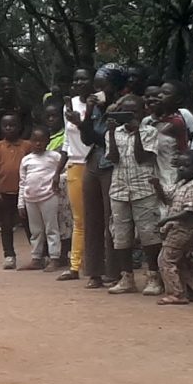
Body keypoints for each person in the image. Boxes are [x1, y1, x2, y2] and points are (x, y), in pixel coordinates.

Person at [102, 93, 165, 296]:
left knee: (149, 233)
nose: (129, 116)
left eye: (134, 112)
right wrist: (111, 132)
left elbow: (141, 157)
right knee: (121, 235)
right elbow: (112, 158)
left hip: (143, 188)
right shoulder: (113, 132)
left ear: (143, 112)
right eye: (125, 112)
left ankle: (153, 276)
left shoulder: (150, 131)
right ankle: (126, 277)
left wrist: (137, 131)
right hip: (119, 188)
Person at [60, 69, 106, 284]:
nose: (79, 82)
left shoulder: (99, 103)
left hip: (95, 161)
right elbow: (66, 141)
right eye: (76, 78)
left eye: (83, 79)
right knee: (79, 219)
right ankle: (75, 265)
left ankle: (97, 264)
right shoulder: (68, 107)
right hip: (75, 164)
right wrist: (58, 170)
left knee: (99, 217)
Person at [155, 148, 193, 303]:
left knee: (166, 259)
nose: (182, 169)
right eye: (180, 166)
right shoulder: (181, 184)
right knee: (182, 261)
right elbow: (166, 199)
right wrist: (157, 185)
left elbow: (191, 211)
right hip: (179, 230)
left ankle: (176, 293)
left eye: (187, 166)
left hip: (183, 230)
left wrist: (166, 219)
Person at [18, 127, 65, 270]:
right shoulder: (26, 160)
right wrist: (21, 203)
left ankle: (55, 258)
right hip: (30, 199)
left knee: (52, 228)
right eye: (35, 141)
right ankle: (36, 258)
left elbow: (64, 170)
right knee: (36, 230)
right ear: (30, 142)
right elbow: (22, 181)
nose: (38, 144)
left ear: (48, 141)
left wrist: (57, 184)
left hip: (49, 197)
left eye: (41, 141)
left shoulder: (54, 157)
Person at [0, 113, 27, 268]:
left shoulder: (27, 146)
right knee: (6, 225)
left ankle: (38, 254)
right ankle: (9, 255)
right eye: (5, 126)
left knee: (29, 224)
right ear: (1, 128)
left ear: (20, 127)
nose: (9, 128)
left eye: (12, 125)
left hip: (24, 193)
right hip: (4, 193)